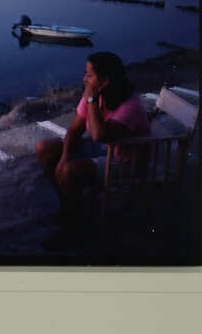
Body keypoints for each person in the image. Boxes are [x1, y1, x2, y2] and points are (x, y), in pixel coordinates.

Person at [35, 51, 150, 241]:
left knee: (71, 172)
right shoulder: (95, 94)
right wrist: (63, 159)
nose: (84, 78)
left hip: (125, 161)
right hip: (104, 149)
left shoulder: (129, 106)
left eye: (89, 75)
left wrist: (92, 100)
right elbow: (74, 130)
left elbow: (98, 135)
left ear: (104, 81)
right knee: (44, 149)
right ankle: (71, 206)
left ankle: (72, 228)